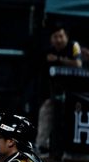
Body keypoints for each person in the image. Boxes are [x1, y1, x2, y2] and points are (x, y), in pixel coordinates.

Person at [35, 23, 82, 152]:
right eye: (55, 37)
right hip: (56, 92)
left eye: (61, 36)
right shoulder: (48, 52)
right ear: (51, 39)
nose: (59, 40)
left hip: (78, 93)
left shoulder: (74, 45)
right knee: (46, 109)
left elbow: (78, 64)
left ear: (66, 36)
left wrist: (58, 59)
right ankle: (42, 145)